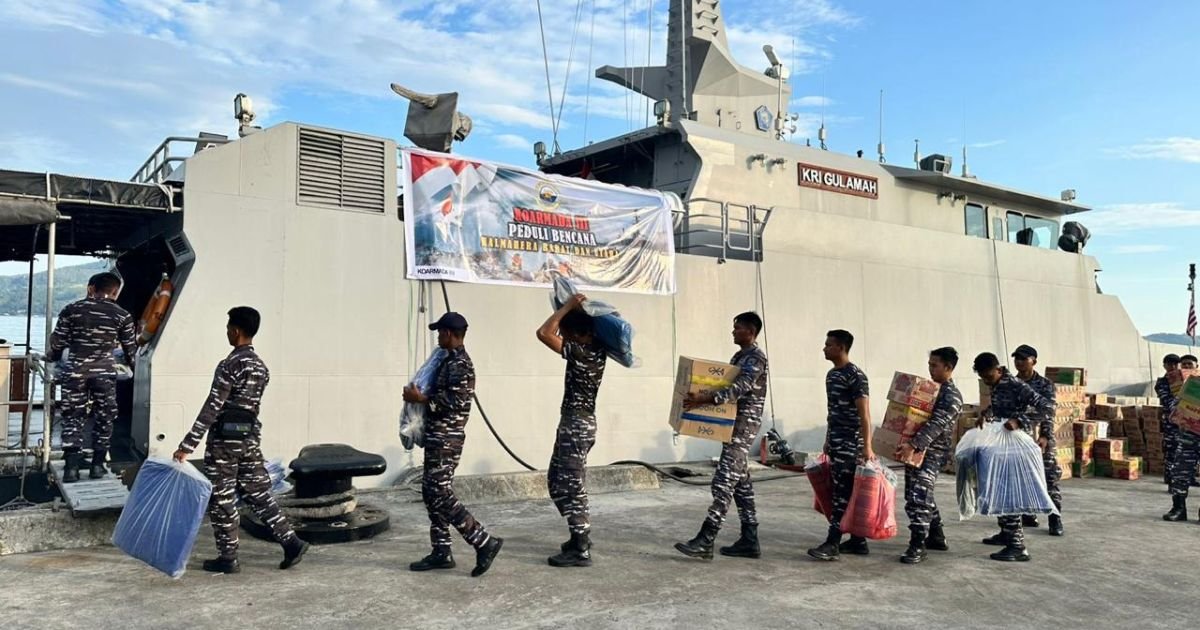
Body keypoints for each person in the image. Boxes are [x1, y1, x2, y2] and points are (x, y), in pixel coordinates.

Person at [172, 306, 308, 574]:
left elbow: (213, 406)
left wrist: (188, 445)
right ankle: (291, 542)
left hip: (224, 442)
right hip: (248, 439)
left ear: (236, 331)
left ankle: (228, 557)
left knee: (222, 499)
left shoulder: (229, 365)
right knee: (259, 493)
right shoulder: (261, 367)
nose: (227, 333)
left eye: (227, 328)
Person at [403, 312, 503, 577]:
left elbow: (455, 402)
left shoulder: (460, 364)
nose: (438, 337)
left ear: (449, 333)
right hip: (438, 436)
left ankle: (483, 541)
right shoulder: (447, 360)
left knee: (440, 493)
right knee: (430, 492)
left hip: (448, 437)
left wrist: (420, 398)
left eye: (440, 332)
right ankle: (441, 550)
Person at [674, 312, 770, 561]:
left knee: (724, 480)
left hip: (743, 426)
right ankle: (750, 539)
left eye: (737, 328)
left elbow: (739, 388)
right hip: (733, 424)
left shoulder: (755, 358)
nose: (733, 332)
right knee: (741, 483)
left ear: (750, 331)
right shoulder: (741, 356)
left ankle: (706, 538)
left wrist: (704, 399)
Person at [536, 293, 607, 567]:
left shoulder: (582, 353)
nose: (560, 335)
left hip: (577, 426)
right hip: (575, 423)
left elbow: (544, 332)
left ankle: (580, 545)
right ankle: (578, 533)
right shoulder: (596, 348)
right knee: (556, 480)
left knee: (572, 484)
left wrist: (566, 307)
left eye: (564, 333)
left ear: (576, 335)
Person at [47, 272, 137, 482]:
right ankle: (97, 465)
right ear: (115, 292)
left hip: (75, 371)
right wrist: (133, 370)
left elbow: (57, 344)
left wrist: (53, 358)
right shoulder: (122, 315)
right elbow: (131, 351)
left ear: (90, 288)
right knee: (105, 416)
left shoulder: (72, 310)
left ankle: (71, 468)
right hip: (105, 373)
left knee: (73, 416)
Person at [973, 352, 1053, 562]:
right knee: (998, 489)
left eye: (989, 377)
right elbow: (999, 408)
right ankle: (1006, 534)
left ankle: (1017, 546)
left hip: (1015, 446)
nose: (988, 381)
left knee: (1009, 492)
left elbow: (1047, 407)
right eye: (984, 378)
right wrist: (986, 414)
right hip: (1001, 443)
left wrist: (1019, 420)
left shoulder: (1017, 385)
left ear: (999, 369)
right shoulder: (998, 385)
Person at [808, 329, 875, 561]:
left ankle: (833, 542)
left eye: (828, 345)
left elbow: (864, 414)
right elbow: (832, 411)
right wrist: (828, 438)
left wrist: (867, 446)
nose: (824, 348)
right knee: (840, 490)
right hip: (836, 441)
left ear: (841, 348)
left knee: (842, 494)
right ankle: (858, 541)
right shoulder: (831, 375)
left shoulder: (855, 376)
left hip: (851, 443)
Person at [896, 347, 963, 564]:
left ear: (948, 368)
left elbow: (936, 425)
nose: (930, 369)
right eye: (929, 364)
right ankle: (937, 536)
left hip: (931, 453)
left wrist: (913, 445)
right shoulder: (930, 390)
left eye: (935, 365)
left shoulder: (951, 396)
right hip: (916, 450)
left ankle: (917, 545)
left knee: (919, 497)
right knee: (917, 494)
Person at [1012, 345, 1063, 536]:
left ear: (1034, 361)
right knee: (1020, 478)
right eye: (1016, 358)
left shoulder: (1044, 384)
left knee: (1049, 479)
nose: (1019, 362)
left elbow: (1048, 412)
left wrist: (1045, 436)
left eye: (1023, 358)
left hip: (1040, 438)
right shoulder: (1011, 383)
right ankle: (1026, 514)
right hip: (1017, 438)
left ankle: (1055, 518)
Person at [1164, 354, 1200, 521]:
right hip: (1188, 436)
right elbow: (1172, 406)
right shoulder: (1185, 384)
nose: (1186, 368)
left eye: (1190, 365)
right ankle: (1178, 508)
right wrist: (1182, 407)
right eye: (1184, 365)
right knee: (1180, 472)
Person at [1155, 354, 1182, 486]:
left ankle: (1187, 478)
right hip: (1171, 421)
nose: (1173, 367)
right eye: (1169, 364)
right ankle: (1170, 479)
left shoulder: (1185, 381)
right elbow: (1167, 402)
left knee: (1186, 450)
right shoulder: (1162, 382)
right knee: (1171, 450)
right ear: (1164, 366)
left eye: (1175, 364)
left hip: (1186, 422)